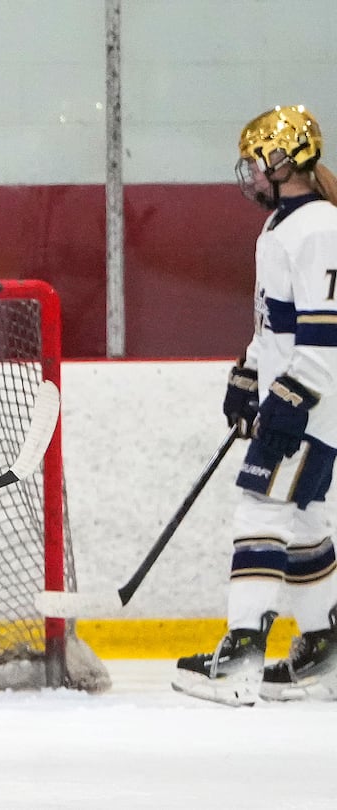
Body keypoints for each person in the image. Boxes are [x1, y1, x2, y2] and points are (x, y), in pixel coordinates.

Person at [173, 104, 337, 706]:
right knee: (305, 519)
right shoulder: (279, 228)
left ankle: (241, 652)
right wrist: (247, 374)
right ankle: (325, 650)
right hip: (296, 390)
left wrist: (292, 399)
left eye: (257, 160)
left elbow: (326, 334)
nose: (249, 172)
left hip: (316, 402)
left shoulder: (320, 226)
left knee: (260, 511)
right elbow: (275, 326)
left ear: (287, 159)